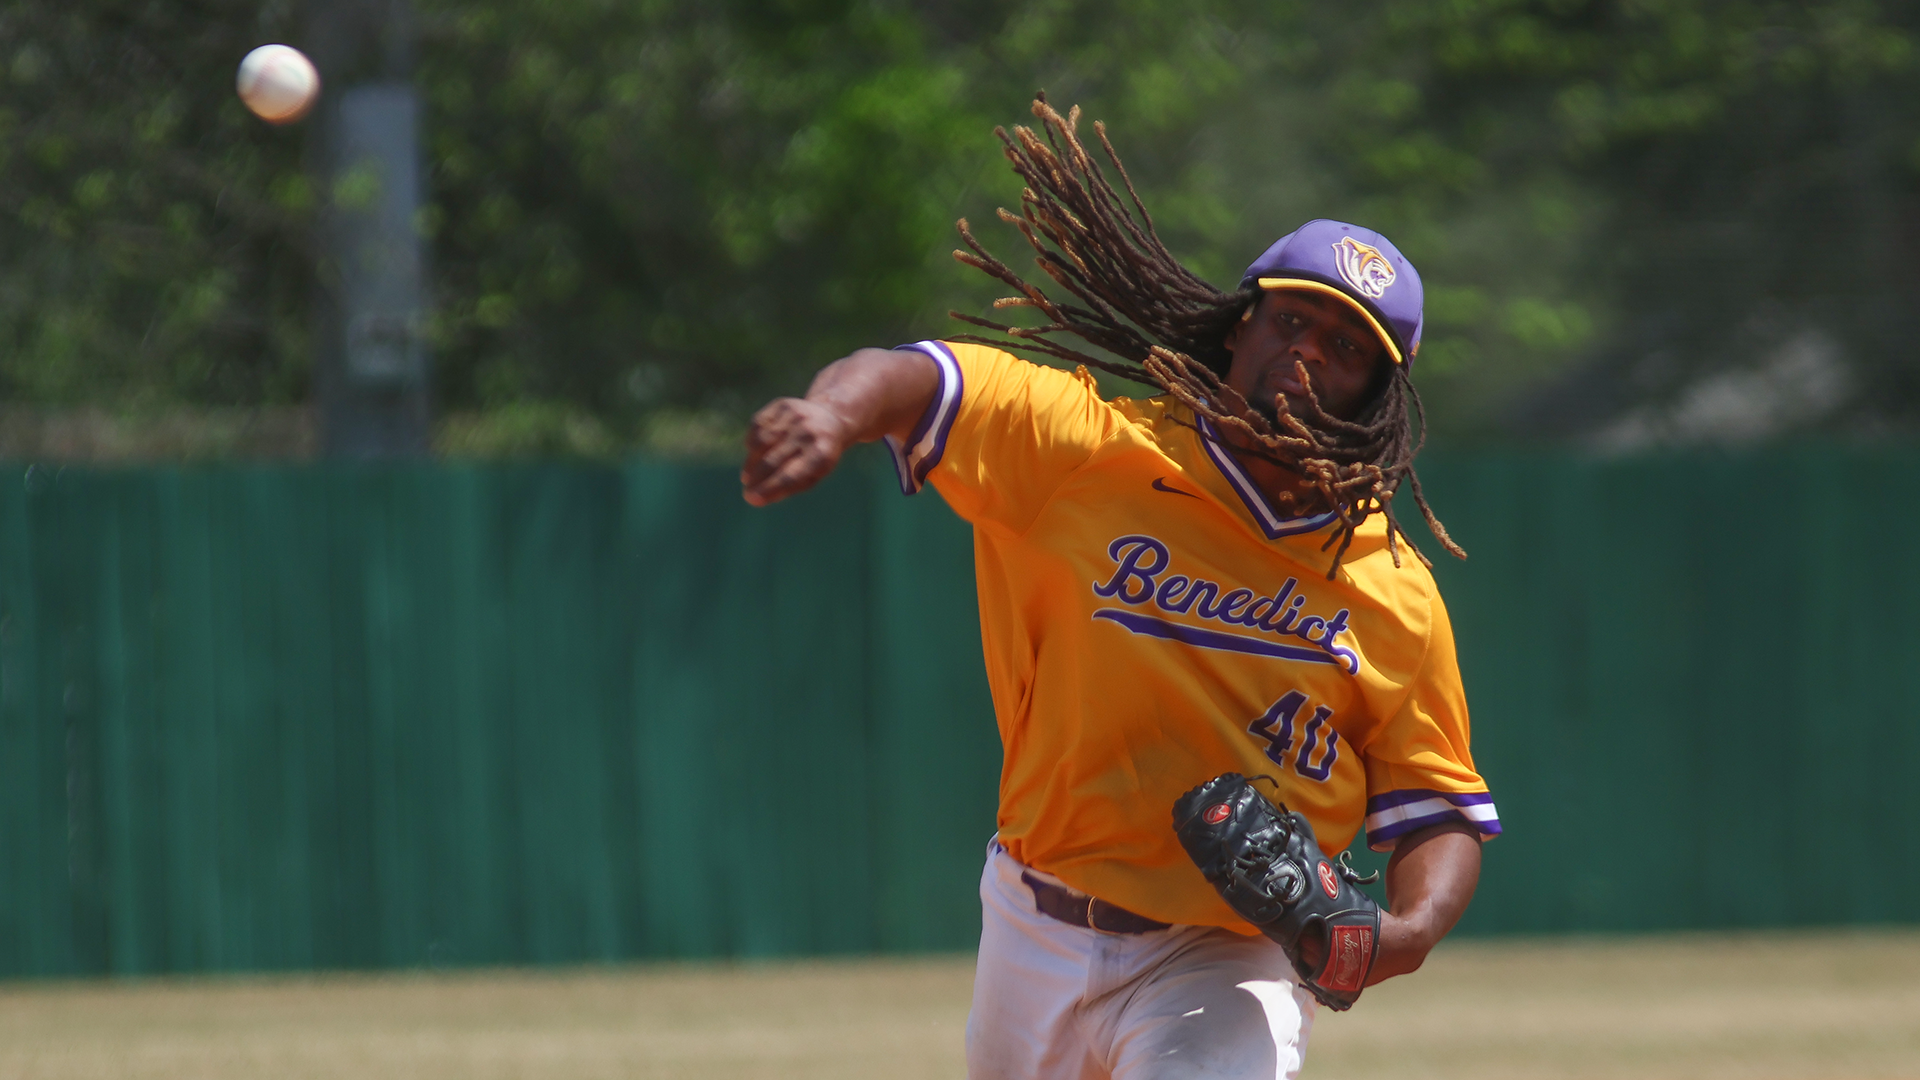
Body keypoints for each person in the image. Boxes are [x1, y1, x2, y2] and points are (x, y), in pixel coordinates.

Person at [740, 98, 1499, 1080]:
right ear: (1241, 328)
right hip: (1031, 917)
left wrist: (1405, 933)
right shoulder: (1088, 445)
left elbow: (1435, 804)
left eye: (1345, 347)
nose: (1305, 352)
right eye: (1290, 318)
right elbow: (916, 378)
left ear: (1377, 397)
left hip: (1223, 956)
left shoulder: (1391, 588)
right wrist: (828, 414)